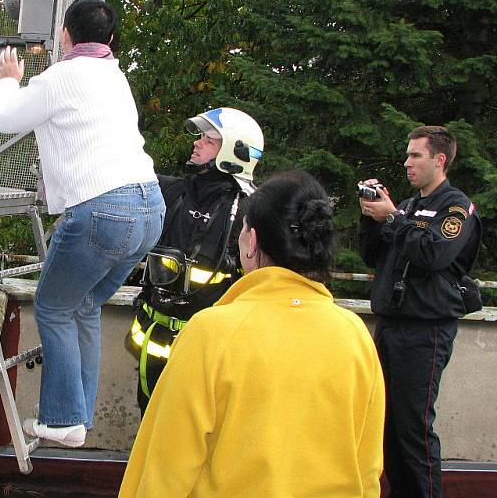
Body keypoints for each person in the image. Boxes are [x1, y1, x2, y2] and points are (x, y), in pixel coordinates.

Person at [120, 171, 385, 498]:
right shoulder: (354, 335)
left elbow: (164, 468)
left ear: (252, 242)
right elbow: (368, 467)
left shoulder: (211, 332)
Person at [0, 0, 164, 448]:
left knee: (53, 307)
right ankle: (78, 416)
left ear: (66, 35)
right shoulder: (115, 76)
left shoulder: (62, 77)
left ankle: (63, 418)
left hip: (104, 212)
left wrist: (8, 81)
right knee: (85, 306)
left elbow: (3, 118)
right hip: (150, 209)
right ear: (108, 39)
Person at [358, 125, 481, 498]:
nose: (407, 162)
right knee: (388, 427)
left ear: (439, 160)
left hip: (425, 331)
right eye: (407, 154)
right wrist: (371, 216)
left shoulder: (455, 207)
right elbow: (373, 256)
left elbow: (433, 254)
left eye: (415, 155)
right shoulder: (410, 207)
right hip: (392, 326)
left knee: (413, 428)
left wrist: (393, 218)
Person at [126, 107, 262, 413]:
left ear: (235, 151)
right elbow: (125, 172)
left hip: (208, 354)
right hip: (153, 344)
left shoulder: (249, 212)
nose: (197, 143)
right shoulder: (173, 191)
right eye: (200, 137)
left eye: (209, 140)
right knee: (152, 427)